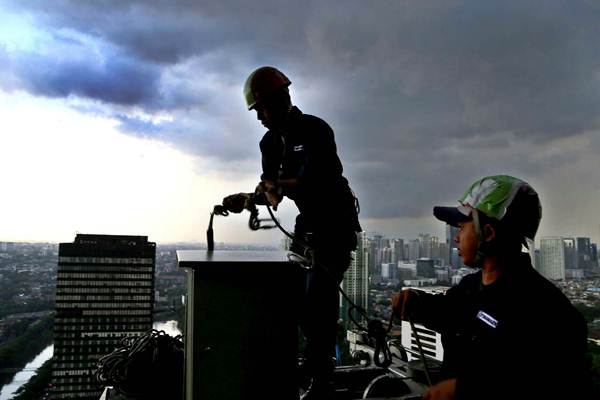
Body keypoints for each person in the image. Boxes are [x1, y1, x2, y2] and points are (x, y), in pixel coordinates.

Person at [224, 66, 361, 399]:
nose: (260, 117)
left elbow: (320, 178)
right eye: (256, 111)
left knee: (319, 303)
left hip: (335, 222)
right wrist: (248, 199)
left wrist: (277, 186)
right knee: (295, 300)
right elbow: (273, 190)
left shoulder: (315, 130)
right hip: (307, 226)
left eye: (263, 109)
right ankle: (310, 364)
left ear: (282, 98)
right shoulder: (269, 142)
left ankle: (322, 378)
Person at [391, 175, 590, 400]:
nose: (456, 238)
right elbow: (450, 311)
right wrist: (416, 300)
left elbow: (546, 382)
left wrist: (466, 390)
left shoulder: (547, 310)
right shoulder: (470, 288)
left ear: (488, 233)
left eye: (461, 228)